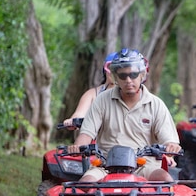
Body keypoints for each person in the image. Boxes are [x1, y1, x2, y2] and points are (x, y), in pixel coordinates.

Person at [68, 48, 181, 182]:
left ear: (142, 75)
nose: (128, 80)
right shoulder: (101, 100)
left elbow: (169, 140)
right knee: (84, 185)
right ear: (116, 77)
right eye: (123, 76)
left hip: (144, 164)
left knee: (166, 180)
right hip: (105, 165)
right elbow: (86, 134)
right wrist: (77, 147)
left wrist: (171, 146)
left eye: (133, 75)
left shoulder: (156, 104)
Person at [61, 51, 118, 130]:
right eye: (111, 68)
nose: (115, 73)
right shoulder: (92, 94)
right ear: (105, 69)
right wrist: (73, 121)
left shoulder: (131, 94)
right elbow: (79, 114)